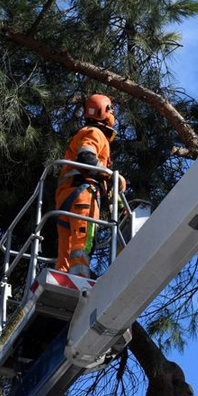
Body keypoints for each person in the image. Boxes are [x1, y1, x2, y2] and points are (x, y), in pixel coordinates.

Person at [55, 94, 126, 277]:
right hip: (83, 194)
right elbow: (86, 158)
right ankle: (79, 275)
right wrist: (112, 176)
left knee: (66, 245)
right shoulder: (95, 133)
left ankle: (63, 274)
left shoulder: (84, 132)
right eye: (111, 110)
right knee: (83, 239)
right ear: (104, 111)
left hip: (66, 196)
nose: (113, 115)